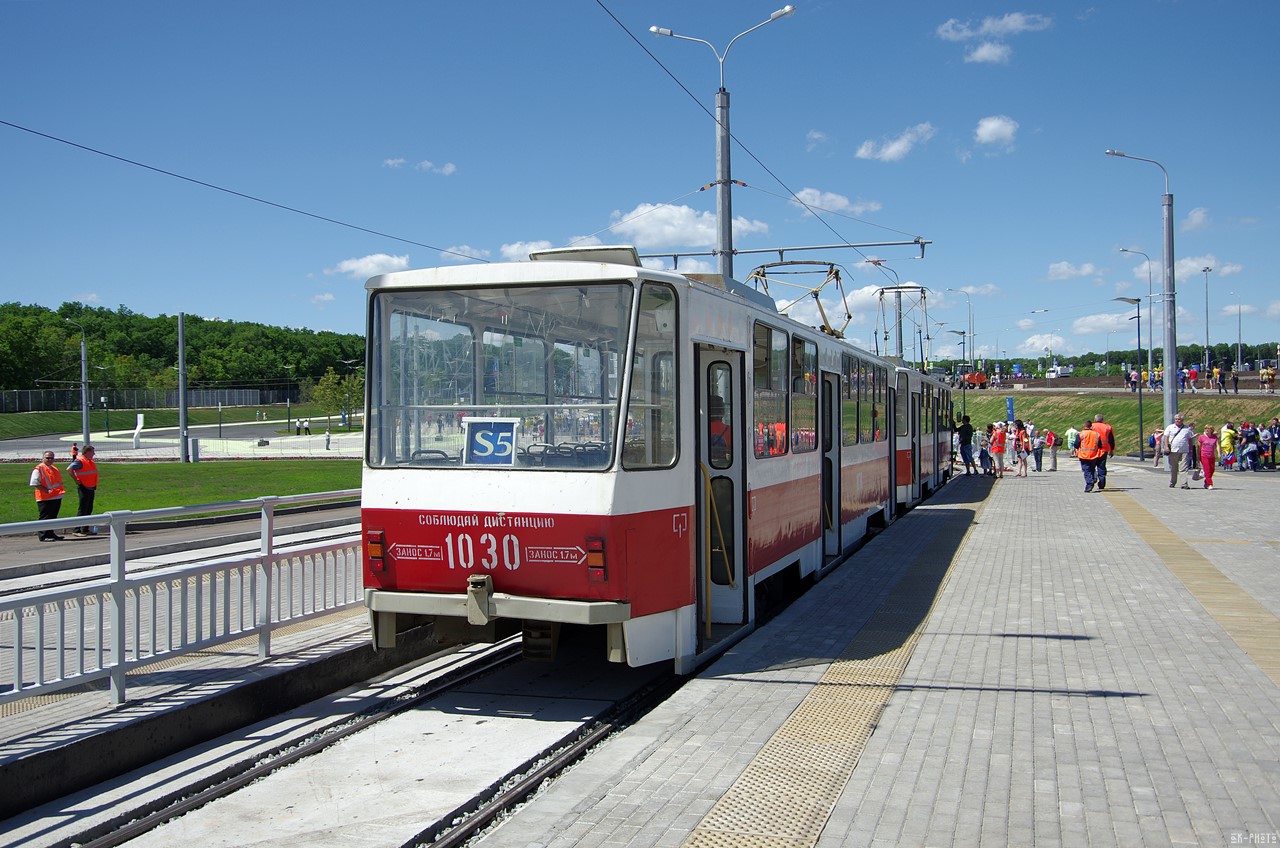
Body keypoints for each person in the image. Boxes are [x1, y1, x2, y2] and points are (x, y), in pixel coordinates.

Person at [29, 450, 66, 541]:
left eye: (51, 458)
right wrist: (46, 491)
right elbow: (34, 483)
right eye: (47, 458)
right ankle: (43, 535)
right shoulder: (39, 469)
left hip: (56, 496)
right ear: (43, 458)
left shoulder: (53, 468)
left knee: (53, 517)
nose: (50, 459)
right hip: (44, 498)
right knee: (45, 517)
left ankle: (50, 533)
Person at [66, 444, 98, 536]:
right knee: (83, 509)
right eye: (92, 452)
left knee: (88, 509)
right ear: (87, 452)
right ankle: (77, 530)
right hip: (84, 487)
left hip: (91, 487)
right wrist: (77, 481)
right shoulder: (80, 461)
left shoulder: (89, 461)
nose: (94, 454)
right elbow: (69, 469)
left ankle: (85, 529)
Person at [1163, 414, 1195, 488]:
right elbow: (1166, 437)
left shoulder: (1187, 429)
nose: (1177, 420)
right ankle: (1173, 482)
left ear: (1182, 420)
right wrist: (1166, 446)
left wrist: (1190, 449)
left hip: (1184, 450)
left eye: (1179, 419)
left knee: (1184, 468)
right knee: (1173, 468)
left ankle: (1184, 484)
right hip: (1173, 450)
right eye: (1176, 419)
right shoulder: (1170, 427)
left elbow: (1190, 439)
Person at [1075, 421, 1106, 493]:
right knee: (1092, 469)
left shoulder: (1080, 434)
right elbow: (1100, 445)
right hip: (1094, 455)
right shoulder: (1097, 434)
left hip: (1083, 455)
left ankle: (1089, 484)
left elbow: (1076, 445)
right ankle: (1093, 478)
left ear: (1084, 426)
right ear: (1091, 426)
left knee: (1086, 470)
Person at [1091, 414, 1115, 484]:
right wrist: (1112, 450)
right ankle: (1102, 481)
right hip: (1104, 449)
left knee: (1091, 465)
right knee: (1101, 466)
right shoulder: (1108, 427)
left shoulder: (1091, 426)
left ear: (1095, 419)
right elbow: (1111, 440)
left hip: (1093, 449)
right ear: (1102, 420)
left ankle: (1093, 477)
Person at [1196, 424, 1220, 490]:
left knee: (1212, 470)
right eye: (1206, 428)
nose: (1207, 430)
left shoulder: (1214, 437)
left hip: (1211, 455)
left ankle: (1206, 482)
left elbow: (1217, 445)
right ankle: (1210, 484)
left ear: (1211, 430)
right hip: (1204, 455)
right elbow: (1199, 447)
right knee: (1207, 470)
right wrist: (1198, 456)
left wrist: (1218, 453)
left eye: (1208, 428)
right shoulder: (1201, 437)